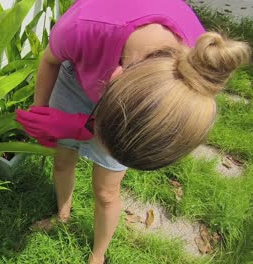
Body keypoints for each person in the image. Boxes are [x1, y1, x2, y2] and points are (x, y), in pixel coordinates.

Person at [15, 0, 250, 263]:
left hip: (135, 106)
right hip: (78, 77)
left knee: (106, 191)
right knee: (62, 160)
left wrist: (82, 127)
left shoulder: (197, 76)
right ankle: (63, 214)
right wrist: (40, 110)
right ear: (112, 77)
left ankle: (98, 256)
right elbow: (49, 58)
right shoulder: (84, 27)